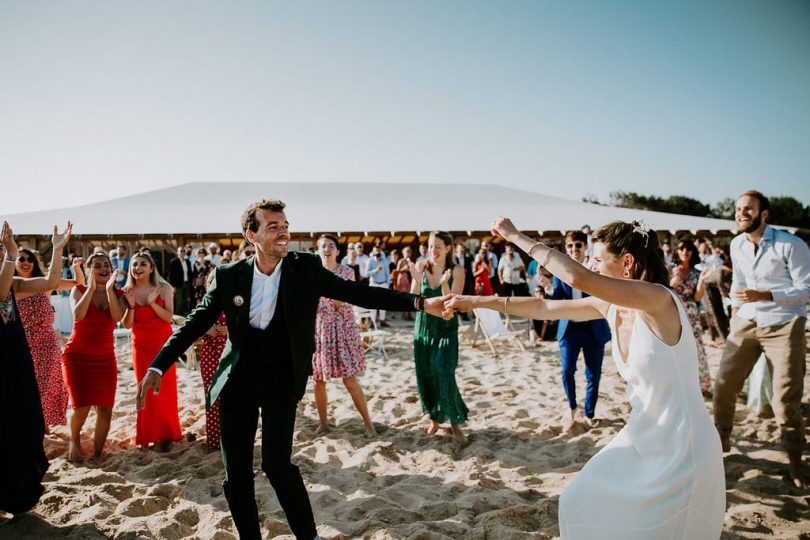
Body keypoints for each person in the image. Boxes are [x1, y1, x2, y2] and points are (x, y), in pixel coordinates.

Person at [136, 199, 446, 540]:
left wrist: (417, 302)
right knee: (235, 475)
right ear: (251, 235)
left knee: (278, 466)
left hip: (282, 379)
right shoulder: (229, 276)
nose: (283, 232)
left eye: (285, 225)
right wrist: (159, 365)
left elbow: (358, 293)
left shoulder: (306, 268)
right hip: (238, 379)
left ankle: (307, 536)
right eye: (273, 227)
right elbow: (195, 322)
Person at [444, 216, 725, 539]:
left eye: (596, 258)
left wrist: (515, 236)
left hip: (682, 444)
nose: (590, 264)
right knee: (579, 499)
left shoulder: (659, 299)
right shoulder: (612, 306)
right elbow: (545, 308)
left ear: (627, 263)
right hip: (645, 436)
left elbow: (576, 276)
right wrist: (474, 302)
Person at [713, 190, 810, 489]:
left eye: (749, 209)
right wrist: (737, 311)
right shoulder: (736, 244)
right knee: (724, 384)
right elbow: (739, 284)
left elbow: (806, 290)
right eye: (738, 208)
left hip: (784, 323)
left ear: (764, 214)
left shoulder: (791, 245)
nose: (742, 213)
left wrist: (767, 295)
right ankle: (721, 444)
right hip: (747, 320)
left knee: (785, 399)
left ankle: (796, 464)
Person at [0, 221, 71, 514]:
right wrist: (10, 254)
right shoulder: (7, 280)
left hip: (15, 365)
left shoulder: (14, 283)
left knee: (23, 427)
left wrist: (56, 250)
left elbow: (52, 283)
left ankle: (13, 495)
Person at [63, 251, 128, 462]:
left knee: (105, 408)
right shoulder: (78, 290)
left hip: (105, 359)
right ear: (89, 270)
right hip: (77, 358)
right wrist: (91, 288)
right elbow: (78, 316)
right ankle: (74, 440)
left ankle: (98, 453)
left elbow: (117, 318)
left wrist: (109, 289)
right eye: (98, 265)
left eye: (106, 265)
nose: (103, 268)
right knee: (81, 407)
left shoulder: (118, 294)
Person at [311, 234, 376, 437]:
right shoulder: (312, 273)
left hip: (342, 329)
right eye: (323, 246)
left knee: (349, 379)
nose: (327, 249)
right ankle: (323, 423)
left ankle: (369, 425)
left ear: (338, 251)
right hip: (320, 329)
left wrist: (325, 287)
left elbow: (342, 301)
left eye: (331, 246)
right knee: (318, 380)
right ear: (318, 250)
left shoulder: (347, 272)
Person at [409, 231, 468, 448]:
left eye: (438, 246)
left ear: (448, 248)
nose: (433, 250)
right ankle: (434, 418)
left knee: (444, 372)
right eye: (430, 246)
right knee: (425, 374)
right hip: (423, 328)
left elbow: (452, 306)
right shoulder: (423, 267)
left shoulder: (458, 271)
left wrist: (443, 283)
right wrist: (416, 278)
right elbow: (413, 297)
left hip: (446, 328)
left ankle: (455, 423)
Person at [14, 248, 84, 431]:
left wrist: (76, 268)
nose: (26, 262)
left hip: (46, 343)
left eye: (30, 259)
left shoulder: (45, 285)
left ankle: (43, 425)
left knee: (46, 386)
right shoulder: (9, 286)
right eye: (21, 258)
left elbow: (78, 284)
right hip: (19, 344)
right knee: (24, 387)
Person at [550, 231, 611, 428]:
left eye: (578, 245)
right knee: (567, 371)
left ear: (585, 247)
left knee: (593, 373)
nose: (574, 249)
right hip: (569, 329)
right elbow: (557, 299)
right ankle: (572, 406)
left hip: (594, 327)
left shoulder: (596, 267)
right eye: (570, 246)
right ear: (566, 249)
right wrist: (546, 291)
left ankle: (589, 412)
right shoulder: (560, 270)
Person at [122, 252, 182, 450]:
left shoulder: (163, 288)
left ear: (151, 268)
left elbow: (168, 317)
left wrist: (152, 304)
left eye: (142, 264)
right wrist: (131, 306)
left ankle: (167, 434)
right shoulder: (127, 290)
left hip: (163, 345)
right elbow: (127, 324)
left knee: (165, 390)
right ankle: (147, 434)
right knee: (145, 390)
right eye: (134, 264)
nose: (137, 267)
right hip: (140, 346)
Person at [670, 238, 712, 396]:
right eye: (681, 249)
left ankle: (702, 385)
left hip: (691, 311)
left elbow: (698, 297)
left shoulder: (697, 272)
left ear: (693, 252)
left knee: (696, 347)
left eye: (688, 249)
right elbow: (665, 291)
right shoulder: (670, 269)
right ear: (677, 251)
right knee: (675, 346)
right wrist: (675, 279)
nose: (685, 252)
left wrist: (701, 281)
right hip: (674, 311)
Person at [198, 271, 227, 450]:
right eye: (211, 281)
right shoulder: (204, 306)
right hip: (210, 355)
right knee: (213, 396)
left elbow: (249, 326)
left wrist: (231, 329)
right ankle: (215, 440)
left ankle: (233, 438)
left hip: (232, 354)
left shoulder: (235, 303)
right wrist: (206, 329)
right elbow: (192, 329)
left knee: (233, 397)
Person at [365, 245, 391, 327]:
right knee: (373, 304)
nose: (377, 252)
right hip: (373, 284)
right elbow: (366, 273)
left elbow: (387, 274)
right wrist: (375, 270)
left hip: (383, 284)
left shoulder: (385, 261)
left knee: (383, 304)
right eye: (375, 250)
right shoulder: (370, 261)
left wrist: (387, 284)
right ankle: (373, 322)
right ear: (373, 252)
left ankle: (382, 320)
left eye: (378, 250)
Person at [169, 246, 194, 316]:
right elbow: (171, 275)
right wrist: (173, 286)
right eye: (181, 251)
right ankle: (177, 317)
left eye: (183, 251)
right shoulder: (174, 262)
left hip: (187, 283)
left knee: (186, 302)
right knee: (179, 302)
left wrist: (191, 282)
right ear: (177, 253)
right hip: (178, 285)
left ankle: (185, 317)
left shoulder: (188, 262)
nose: (182, 253)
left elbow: (190, 273)